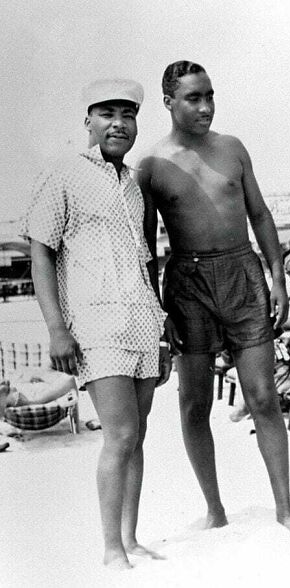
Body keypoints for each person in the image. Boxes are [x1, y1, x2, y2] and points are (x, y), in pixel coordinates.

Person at [137, 61, 290, 539]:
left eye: (210, 95)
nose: (206, 107)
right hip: (187, 284)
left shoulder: (232, 149)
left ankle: (285, 510)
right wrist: (157, 312)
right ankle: (215, 510)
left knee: (263, 396)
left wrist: (277, 278)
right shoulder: (152, 166)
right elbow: (145, 247)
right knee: (195, 403)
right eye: (193, 98)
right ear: (169, 102)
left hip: (242, 271)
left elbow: (260, 214)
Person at [21, 78, 171, 569]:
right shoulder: (62, 172)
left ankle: (130, 538)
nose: (118, 124)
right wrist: (57, 329)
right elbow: (40, 251)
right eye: (107, 114)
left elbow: (144, 261)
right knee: (121, 434)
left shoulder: (132, 184)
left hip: (143, 321)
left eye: (127, 115)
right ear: (88, 120)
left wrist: (163, 324)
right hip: (95, 325)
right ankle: (110, 548)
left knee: (138, 434)